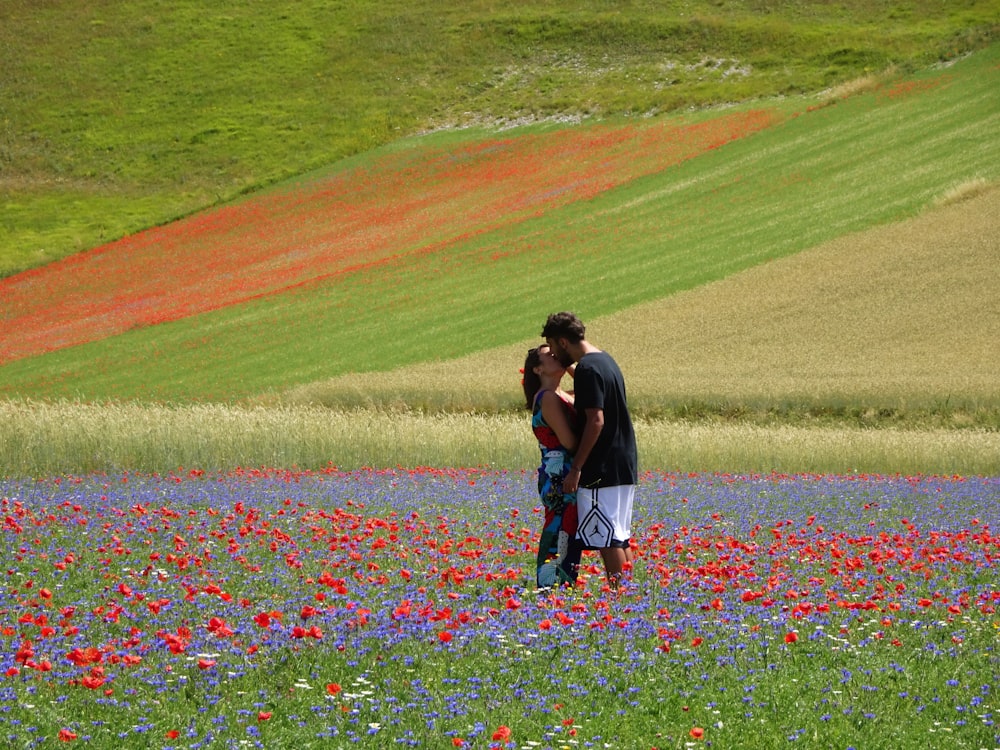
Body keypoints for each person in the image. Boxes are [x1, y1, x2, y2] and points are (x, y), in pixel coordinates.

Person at [541, 311, 637, 590]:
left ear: (562, 341)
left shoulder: (587, 369)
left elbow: (596, 420)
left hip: (600, 465)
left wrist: (577, 467)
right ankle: (630, 593)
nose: (555, 356)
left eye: (553, 347)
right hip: (623, 461)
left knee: (606, 537)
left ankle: (621, 597)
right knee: (619, 535)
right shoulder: (604, 360)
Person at [522, 344, 583, 588]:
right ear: (538, 369)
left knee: (567, 531)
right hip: (559, 476)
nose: (556, 355)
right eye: (550, 355)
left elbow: (592, 384)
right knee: (558, 532)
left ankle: (561, 587)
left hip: (565, 473)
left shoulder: (563, 394)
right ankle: (550, 588)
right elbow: (569, 442)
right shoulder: (547, 398)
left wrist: (567, 363)